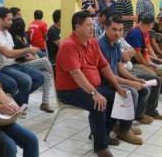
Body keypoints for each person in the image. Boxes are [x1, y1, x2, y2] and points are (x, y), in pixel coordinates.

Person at [56, 11, 127, 157]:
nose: (92, 28)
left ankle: (103, 134)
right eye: (88, 25)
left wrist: (117, 86)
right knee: (98, 104)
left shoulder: (92, 42)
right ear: (77, 27)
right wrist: (94, 93)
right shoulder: (68, 45)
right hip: (70, 91)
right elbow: (76, 73)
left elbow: (104, 66)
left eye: (92, 25)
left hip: (91, 87)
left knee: (118, 96)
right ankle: (101, 147)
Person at [98, 14, 148, 144]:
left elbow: (119, 66)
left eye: (120, 30)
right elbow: (108, 75)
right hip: (103, 83)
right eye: (114, 29)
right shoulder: (101, 45)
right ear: (106, 28)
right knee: (132, 92)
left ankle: (124, 125)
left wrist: (135, 79)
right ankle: (123, 131)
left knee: (142, 89)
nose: (118, 33)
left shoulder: (116, 43)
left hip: (114, 79)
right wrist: (131, 83)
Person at [0, 7, 45, 106]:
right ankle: (21, 104)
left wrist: (28, 54)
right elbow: (8, 54)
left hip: (13, 64)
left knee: (40, 77)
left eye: (11, 20)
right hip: (2, 67)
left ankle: (18, 99)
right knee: (26, 80)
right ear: (0, 19)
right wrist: (27, 50)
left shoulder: (7, 34)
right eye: (9, 19)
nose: (11, 22)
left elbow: (13, 52)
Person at [9, 17, 54, 113]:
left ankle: (45, 103)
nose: (21, 28)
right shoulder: (12, 39)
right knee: (45, 61)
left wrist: (35, 57)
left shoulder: (24, 35)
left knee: (47, 75)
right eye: (19, 26)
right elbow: (17, 56)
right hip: (21, 63)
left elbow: (30, 48)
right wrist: (33, 57)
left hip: (30, 61)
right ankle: (56, 81)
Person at [125, 12, 162, 120]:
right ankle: (150, 110)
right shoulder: (135, 33)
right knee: (155, 79)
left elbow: (145, 51)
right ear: (150, 24)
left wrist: (153, 61)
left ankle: (149, 108)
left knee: (157, 75)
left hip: (138, 63)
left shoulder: (142, 31)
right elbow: (138, 57)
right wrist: (149, 65)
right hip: (134, 65)